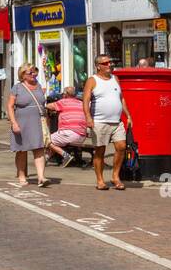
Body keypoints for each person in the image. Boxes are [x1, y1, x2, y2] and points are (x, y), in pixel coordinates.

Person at [83, 54, 133, 191]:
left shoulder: (115, 79)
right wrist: (88, 117)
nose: (109, 65)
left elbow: (121, 99)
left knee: (122, 147)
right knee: (100, 151)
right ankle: (100, 180)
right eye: (105, 63)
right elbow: (86, 100)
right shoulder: (92, 80)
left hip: (116, 122)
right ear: (98, 66)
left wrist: (128, 115)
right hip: (99, 121)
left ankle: (115, 177)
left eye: (110, 62)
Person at [7, 63, 50, 188]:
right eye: (30, 72)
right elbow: (10, 106)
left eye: (34, 71)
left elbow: (42, 105)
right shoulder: (17, 88)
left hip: (37, 121)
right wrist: (13, 123)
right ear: (23, 75)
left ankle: (41, 177)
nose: (33, 74)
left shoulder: (39, 86)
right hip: (21, 122)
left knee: (39, 148)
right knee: (21, 150)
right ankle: (21, 175)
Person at [46, 86, 87, 167]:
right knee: (54, 140)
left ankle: (65, 156)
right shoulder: (81, 103)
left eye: (63, 94)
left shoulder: (63, 102)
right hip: (82, 136)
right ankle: (46, 158)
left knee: (46, 139)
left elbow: (48, 106)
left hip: (69, 134)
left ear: (65, 94)